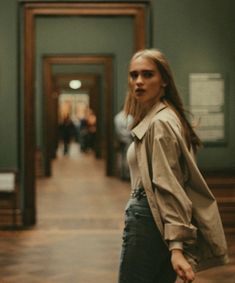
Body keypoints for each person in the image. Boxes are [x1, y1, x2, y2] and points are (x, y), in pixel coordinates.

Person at [118, 49, 228, 283]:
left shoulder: (160, 123)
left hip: (148, 216)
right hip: (153, 217)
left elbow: (169, 185)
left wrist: (177, 248)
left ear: (164, 80)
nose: (138, 81)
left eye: (148, 75)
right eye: (133, 75)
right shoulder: (162, 116)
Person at [114, 109, 132, 180]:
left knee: (121, 156)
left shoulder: (117, 117)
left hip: (120, 139)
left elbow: (117, 130)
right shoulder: (130, 117)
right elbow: (130, 129)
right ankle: (126, 174)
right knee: (126, 157)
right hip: (127, 139)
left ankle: (121, 173)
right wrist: (127, 135)